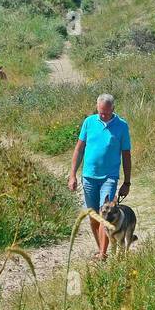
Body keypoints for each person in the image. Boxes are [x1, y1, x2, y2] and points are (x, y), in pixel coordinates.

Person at [67, 93, 132, 261]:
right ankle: (101, 249)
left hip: (109, 177)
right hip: (88, 177)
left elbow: (126, 155)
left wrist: (127, 182)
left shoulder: (122, 126)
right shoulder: (89, 122)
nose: (103, 115)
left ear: (113, 109)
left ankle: (102, 254)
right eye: (101, 112)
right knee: (93, 216)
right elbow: (79, 149)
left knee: (105, 214)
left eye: (107, 112)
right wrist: (72, 175)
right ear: (97, 108)